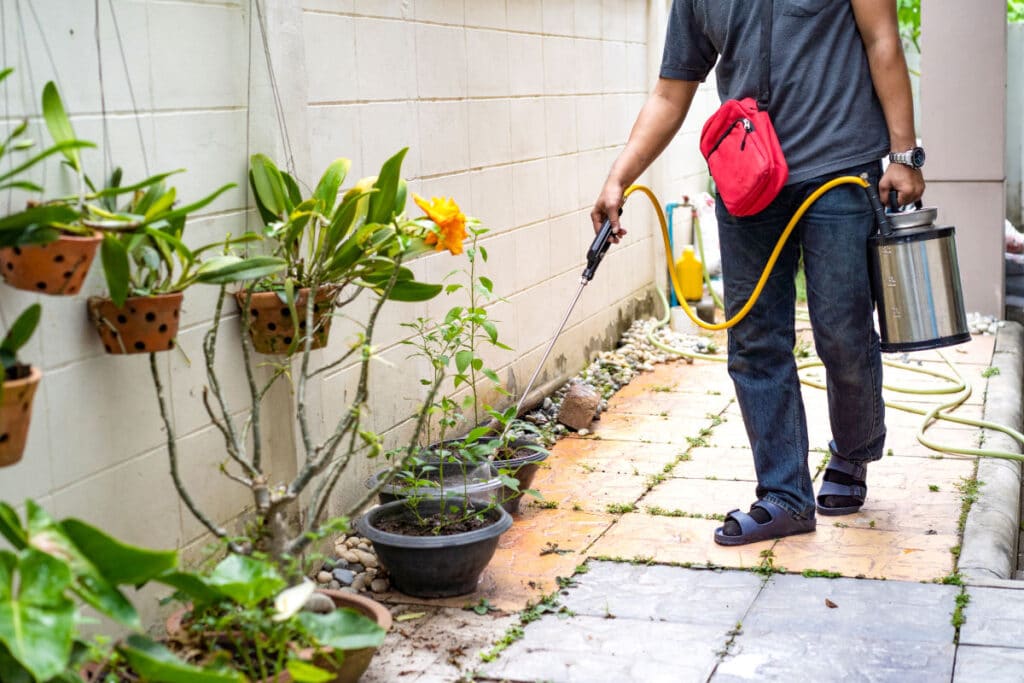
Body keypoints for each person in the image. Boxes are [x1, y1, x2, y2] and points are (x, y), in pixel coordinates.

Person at [591, 0, 925, 545]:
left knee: (842, 330)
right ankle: (784, 496)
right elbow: (671, 91)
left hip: (840, 169)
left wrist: (904, 155)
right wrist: (618, 177)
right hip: (748, 174)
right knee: (752, 339)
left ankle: (853, 450)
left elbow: (882, 39)